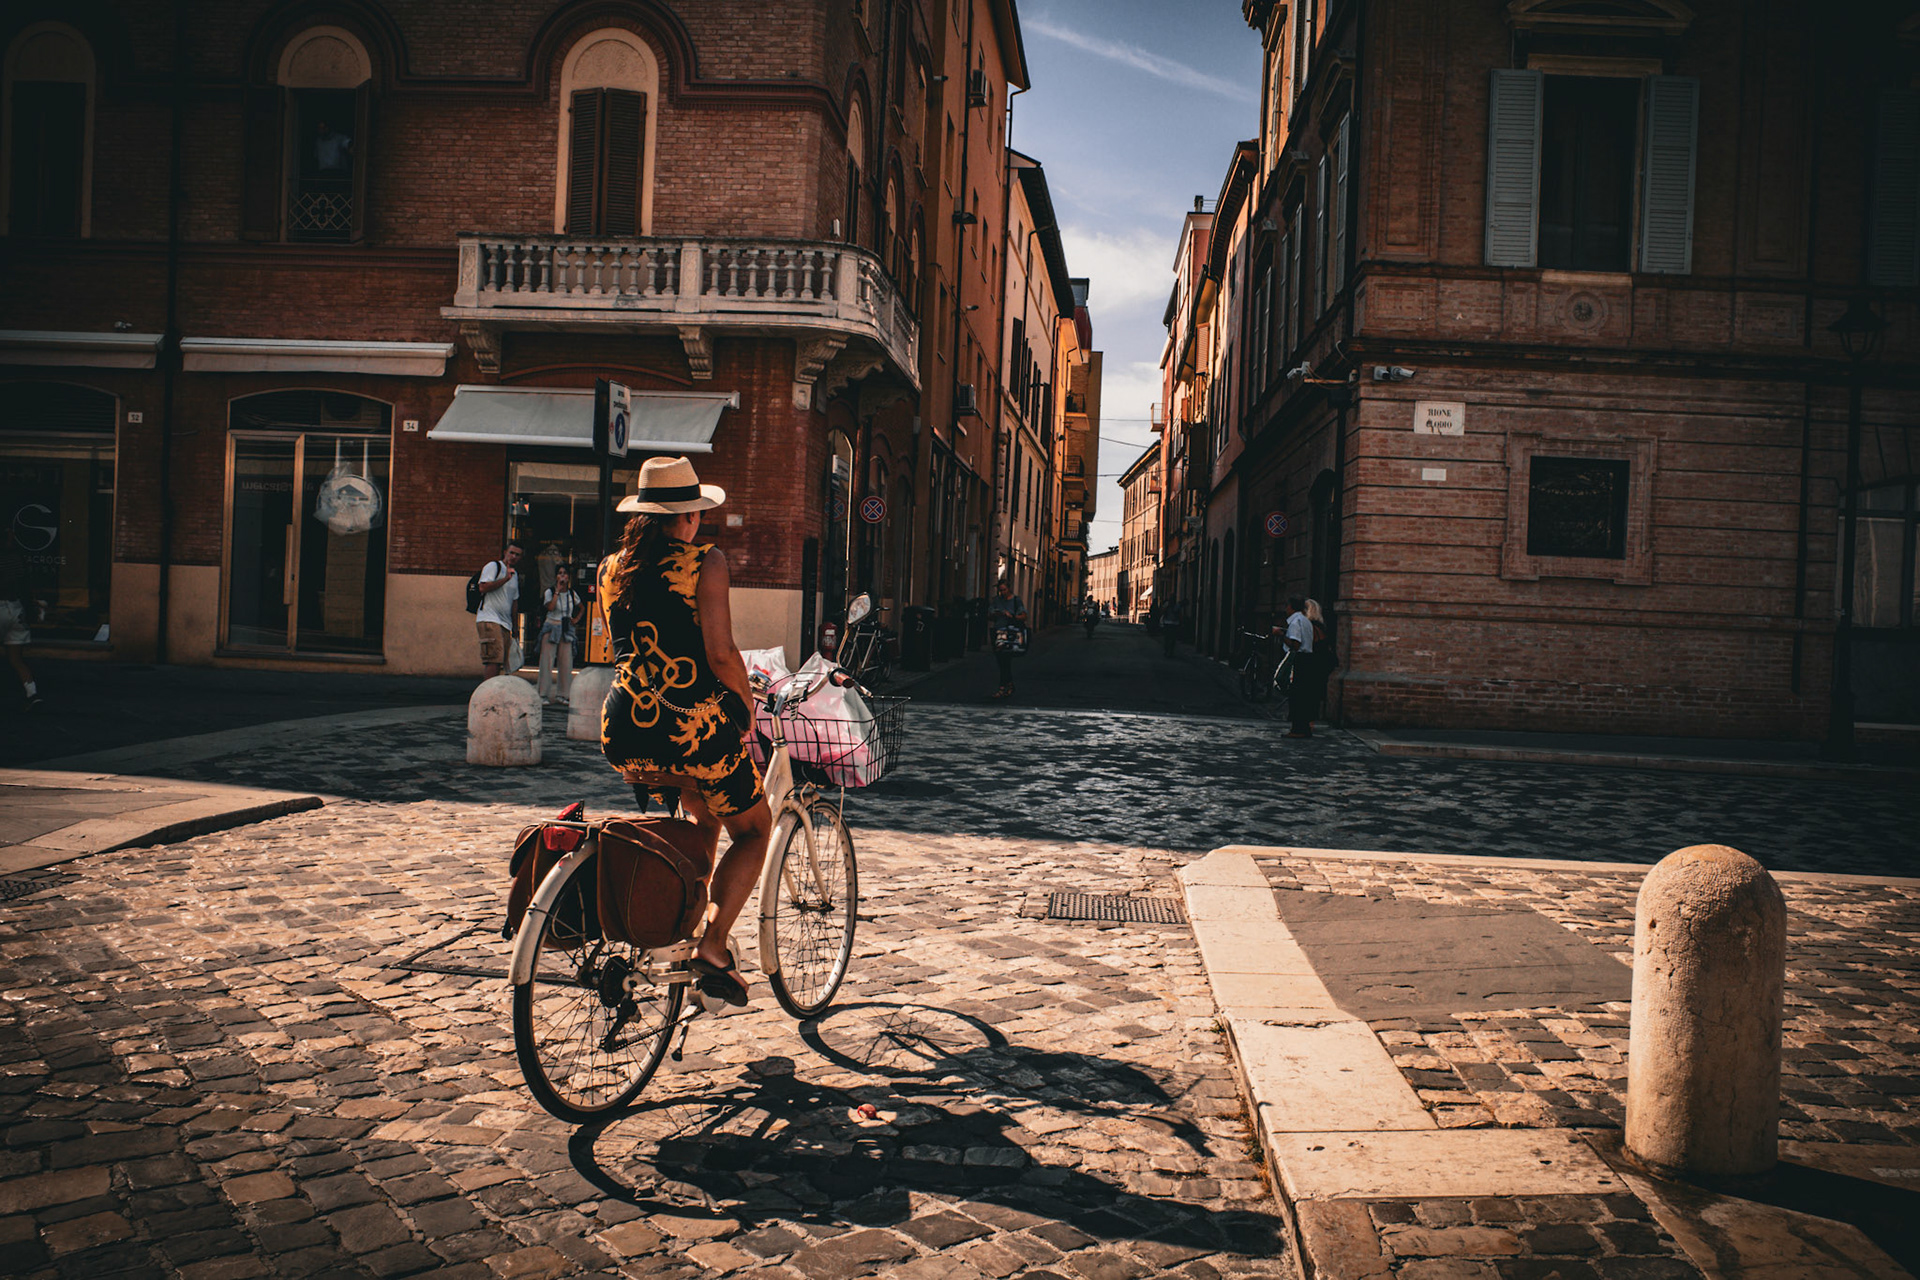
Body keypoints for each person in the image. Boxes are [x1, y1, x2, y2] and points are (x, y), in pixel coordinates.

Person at [598, 456, 771, 1008]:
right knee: (754, 829)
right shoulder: (705, 561)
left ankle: (679, 923)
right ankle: (712, 948)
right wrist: (745, 708)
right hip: (689, 726)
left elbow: (624, 647)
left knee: (702, 815)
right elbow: (720, 653)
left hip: (624, 725)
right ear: (690, 515)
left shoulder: (611, 568)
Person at [0, 528, 42, 711]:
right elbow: (25, 585)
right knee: (16, 659)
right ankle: (32, 694)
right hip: (16, 609)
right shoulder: (17, 559)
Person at [536, 564, 583, 705]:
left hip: (566, 628)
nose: (562, 575)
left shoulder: (572, 593)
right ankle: (543, 694)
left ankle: (563, 694)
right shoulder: (550, 592)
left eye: (565, 573)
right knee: (547, 661)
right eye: (560, 573)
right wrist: (557, 591)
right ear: (556, 576)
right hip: (552, 626)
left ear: (568, 576)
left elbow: (581, 607)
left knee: (566, 662)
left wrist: (575, 619)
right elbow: (550, 607)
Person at [475, 542, 523, 680]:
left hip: (505, 623)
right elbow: (483, 587)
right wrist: (505, 579)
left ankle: (494, 688)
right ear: (505, 552)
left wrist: (515, 628)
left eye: (517, 555)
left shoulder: (515, 574)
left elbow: (514, 602)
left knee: (501, 661)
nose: (513, 557)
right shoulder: (494, 567)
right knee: (494, 659)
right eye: (511, 553)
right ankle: (487, 691)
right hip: (489, 619)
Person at [1281, 595, 1316, 739]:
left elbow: (1295, 645)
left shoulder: (1295, 622)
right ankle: (1304, 728)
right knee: (1304, 695)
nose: (1286, 609)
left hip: (1299, 659)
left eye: (1287, 606)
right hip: (1308, 659)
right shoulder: (1306, 621)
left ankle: (1297, 729)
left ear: (1291, 607)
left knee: (1296, 695)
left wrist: (1281, 634)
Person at [988, 577, 1027, 699]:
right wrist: (995, 614)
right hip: (999, 632)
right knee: (1001, 661)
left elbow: (1024, 616)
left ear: (1009, 589)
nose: (1002, 592)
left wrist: (1012, 616)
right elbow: (990, 615)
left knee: (1005, 660)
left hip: (1010, 633)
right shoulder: (996, 600)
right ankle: (1009, 685)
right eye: (1000, 590)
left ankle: (1002, 688)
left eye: (1004, 590)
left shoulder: (1016, 600)